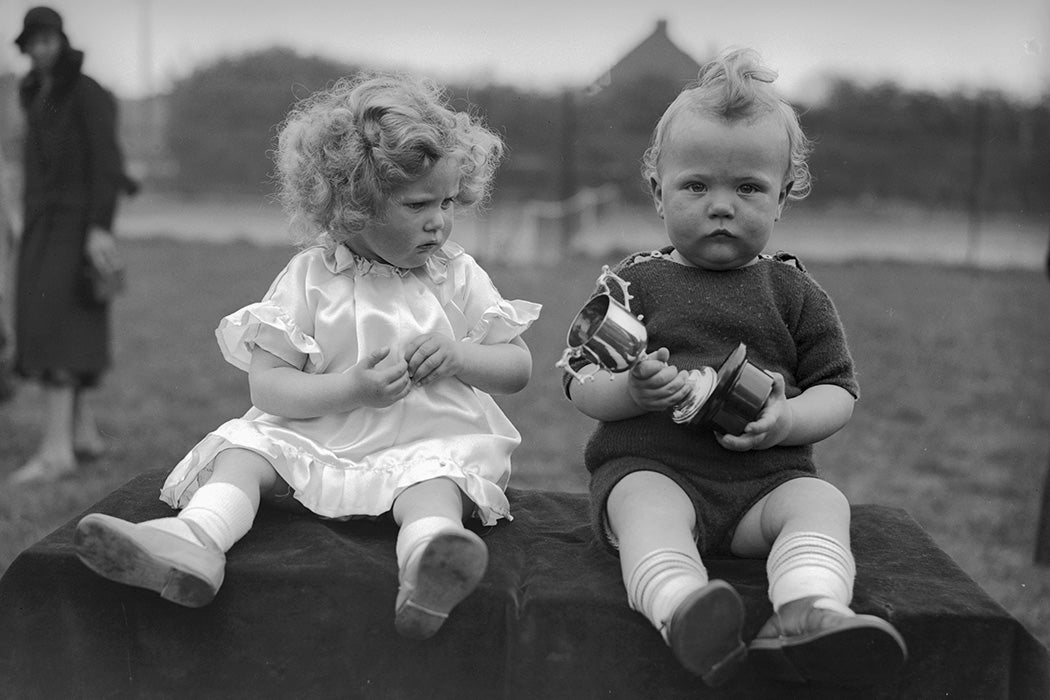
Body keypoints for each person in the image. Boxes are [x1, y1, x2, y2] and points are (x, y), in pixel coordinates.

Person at [73, 72, 540, 639]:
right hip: (320, 440)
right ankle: (195, 540)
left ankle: (428, 565)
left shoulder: (456, 274)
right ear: (354, 205)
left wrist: (460, 354)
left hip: (425, 442)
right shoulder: (313, 278)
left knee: (436, 484)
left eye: (446, 201)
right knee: (245, 449)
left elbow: (517, 368)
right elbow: (267, 388)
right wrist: (352, 389)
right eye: (418, 204)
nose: (439, 220)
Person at [562, 48, 906, 687]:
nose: (722, 205)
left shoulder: (795, 292)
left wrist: (785, 420)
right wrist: (631, 392)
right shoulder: (633, 284)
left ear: (783, 199)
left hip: (762, 486)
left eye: (749, 187)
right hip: (655, 469)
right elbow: (580, 382)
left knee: (821, 500)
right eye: (696, 185)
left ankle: (809, 609)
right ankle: (683, 608)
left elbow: (838, 391)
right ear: (657, 192)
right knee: (643, 506)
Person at [8, 6, 129, 483]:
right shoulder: (31, 89)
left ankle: (56, 452)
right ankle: (82, 435)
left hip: (77, 223)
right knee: (47, 322)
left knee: (59, 327)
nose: (41, 49)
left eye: (48, 40)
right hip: (41, 222)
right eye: (33, 41)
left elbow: (108, 161)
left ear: (60, 41)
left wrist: (100, 227)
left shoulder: (85, 90)